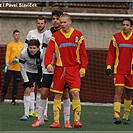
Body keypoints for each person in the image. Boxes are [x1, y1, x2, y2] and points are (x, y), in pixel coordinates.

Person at [44, 13, 88, 128]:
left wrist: (83, 67)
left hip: (74, 69)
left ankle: (77, 120)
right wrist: (48, 64)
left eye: (64, 22)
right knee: (57, 95)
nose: (62, 24)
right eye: (61, 22)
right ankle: (56, 121)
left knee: (75, 93)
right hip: (60, 69)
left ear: (70, 22)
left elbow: (83, 54)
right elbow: (49, 52)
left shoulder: (79, 35)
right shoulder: (55, 37)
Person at [31, 10, 72, 128]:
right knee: (43, 92)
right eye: (53, 19)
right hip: (48, 69)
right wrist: (46, 65)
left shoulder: (67, 34)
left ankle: (66, 121)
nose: (55, 21)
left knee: (65, 94)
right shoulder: (47, 34)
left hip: (62, 68)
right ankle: (40, 119)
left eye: (57, 19)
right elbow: (45, 52)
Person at [106, 18, 133, 124]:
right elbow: (111, 53)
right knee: (118, 91)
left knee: (129, 94)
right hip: (119, 70)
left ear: (131, 27)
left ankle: (126, 116)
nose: (125, 26)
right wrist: (109, 66)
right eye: (123, 25)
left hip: (131, 71)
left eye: (127, 25)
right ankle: (116, 116)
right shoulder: (116, 37)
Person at [24, 15, 48, 118]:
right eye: (38, 23)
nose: (40, 25)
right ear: (36, 23)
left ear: (45, 24)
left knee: (41, 90)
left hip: (42, 67)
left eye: (42, 23)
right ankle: (30, 110)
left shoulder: (48, 34)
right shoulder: (31, 33)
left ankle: (42, 112)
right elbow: (26, 48)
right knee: (29, 88)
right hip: (30, 67)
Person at [19, 39, 43, 121]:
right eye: (30, 48)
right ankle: (26, 113)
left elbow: (44, 66)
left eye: (34, 48)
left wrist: (43, 77)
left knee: (40, 90)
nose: (32, 50)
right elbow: (21, 66)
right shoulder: (23, 53)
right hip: (28, 72)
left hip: (39, 72)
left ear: (38, 48)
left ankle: (39, 112)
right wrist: (25, 79)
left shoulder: (42, 54)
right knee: (27, 90)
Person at [1, 30, 24, 105]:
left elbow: (23, 55)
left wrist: (18, 60)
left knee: (16, 84)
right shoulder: (10, 44)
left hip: (18, 68)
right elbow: (7, 55)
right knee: (6, 83)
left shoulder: (22, 45)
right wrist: (7, 64)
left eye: (18, 35)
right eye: (16, 35)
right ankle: (2, 98)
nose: (17, 36)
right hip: (10, 68)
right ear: (13, 35)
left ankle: (13, 99)